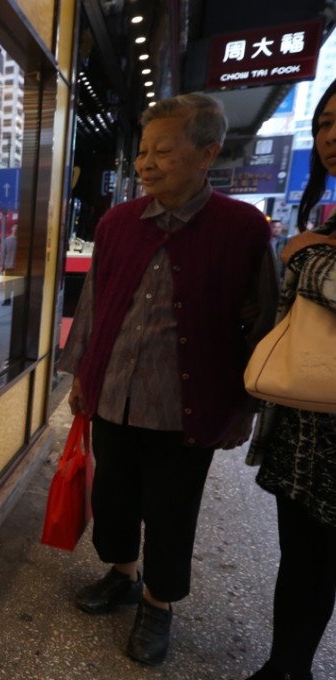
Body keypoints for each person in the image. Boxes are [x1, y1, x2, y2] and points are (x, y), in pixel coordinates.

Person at [58, 93, 278, 667]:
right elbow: (94, 307)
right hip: (113, 393)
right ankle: (122, 574)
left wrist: (244, 408)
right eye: (143, 152)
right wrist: (80, 374)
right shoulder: (116, 223)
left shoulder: (243, 227)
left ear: (207, 153)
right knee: (114, 495)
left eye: (163, 151)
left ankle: (159, 603)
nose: (146, 164)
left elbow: (264, 322)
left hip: (188, 406)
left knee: (172, 509)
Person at [246, 78, 336, 680]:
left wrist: (306, 255)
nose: (331, 136)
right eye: (324, 123)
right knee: (303, 562)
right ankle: (286, 668)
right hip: (309, 425)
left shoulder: (312, 243)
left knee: (313, 561)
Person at [0, 225, 18, 305]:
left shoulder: (21, 240)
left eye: (17, 228)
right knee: (8, 285)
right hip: (9, 266)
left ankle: (14, 300)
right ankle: (7, 300)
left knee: (17, 285)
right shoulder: (7, 240)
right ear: (12, 229)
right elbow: (3, 254)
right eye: (14, 227)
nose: (16, 229)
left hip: (18, 267)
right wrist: (2, 265)